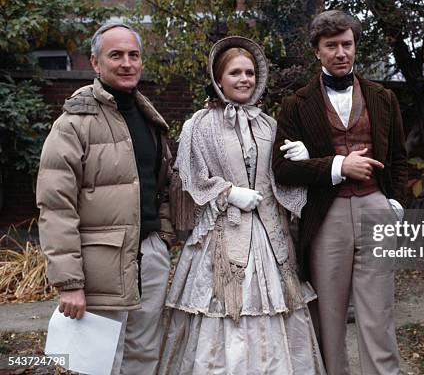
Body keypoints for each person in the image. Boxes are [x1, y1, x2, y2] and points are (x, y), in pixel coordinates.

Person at [158, 36, 325, 374]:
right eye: (235, 72)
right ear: (219, 79)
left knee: (276, 312)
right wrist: (228, 193)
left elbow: (281, 176)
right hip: (222, 235)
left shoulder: (268, 125)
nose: (244, 79)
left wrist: (303, 160)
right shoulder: (200, 124)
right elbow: (188, 176)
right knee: (221, 315)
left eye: (249, 72)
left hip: (269, 237)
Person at [272, 10, 410, 375]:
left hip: (376, 209)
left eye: (346, 44)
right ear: (317, 51)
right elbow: (282, 170)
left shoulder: (383, 97)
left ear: (355, 47)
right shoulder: (296, 104)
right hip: (326, 213)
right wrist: (336, 166)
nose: (341, 53)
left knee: (378, 311)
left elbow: (398, 158)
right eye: (331, 46)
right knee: (328, 313)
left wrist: (393, 202)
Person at [36, 23, 175, 373]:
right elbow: (56, 207)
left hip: (150, 258)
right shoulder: (74, 124)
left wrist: (164, 238)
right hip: (99, 266)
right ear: (96, 63)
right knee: (98, 362)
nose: (127, 63)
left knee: (143, 355)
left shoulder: (149, 118)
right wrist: (69, 282)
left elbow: (162, 187)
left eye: (134, 55)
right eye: (116, 55)